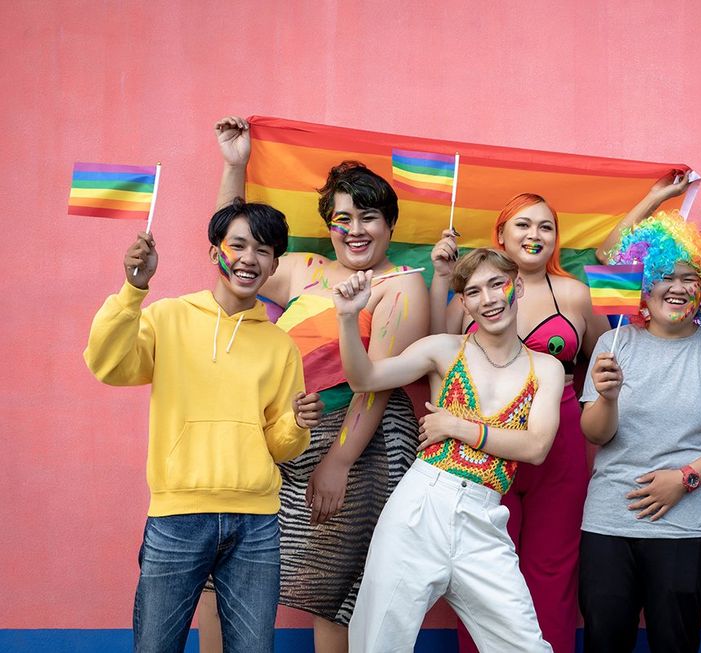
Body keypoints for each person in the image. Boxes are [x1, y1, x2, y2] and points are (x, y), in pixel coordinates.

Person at [198, 117, 429, 653]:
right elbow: (233, 251)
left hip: (358, 444)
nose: (355, 230)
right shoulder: (305, 269)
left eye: (368, 217)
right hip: (280, 437)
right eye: (342, 218)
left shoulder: (401, 286)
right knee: (218, 572)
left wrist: (339, 461)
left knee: (331, 588)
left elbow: (375, 383)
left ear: (390, 225)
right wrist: (235, 165)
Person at [83, 200, 322, 653]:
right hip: (177, 516)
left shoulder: (280, 346)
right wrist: (134, 290)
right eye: (239, 245)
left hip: (256, 524)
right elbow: (107, 364)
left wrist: (296, 423)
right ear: (216, 252)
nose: (249, 258)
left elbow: (280, 446)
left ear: (274, 265)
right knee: (155, 646)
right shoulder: (167, 317)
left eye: (264, 250)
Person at [336, 249, 565, 652]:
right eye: (474, 292)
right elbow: (365, 378)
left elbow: (536, 447)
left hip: (484, 518)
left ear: (517, 286)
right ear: (463, 302)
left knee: (525, 646)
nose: (489, 299)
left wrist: (457, 427)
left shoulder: (546, 368)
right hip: (420, 506)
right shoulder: (443, 349)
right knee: (378, 642)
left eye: (497, 284)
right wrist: (348, 318)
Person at [430, 193, 609, 653]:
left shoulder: (575, 293)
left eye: (546, 226)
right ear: (501, 236)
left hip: (559, 444)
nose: (535, 235)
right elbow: (438, 354)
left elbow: (610, 358)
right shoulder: (471, 297)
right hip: (482, 444)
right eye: (523, 225)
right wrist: (442, 279)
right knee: (481, 569)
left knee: (553, 568)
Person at [579, 212, 701, 653]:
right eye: (665, 275)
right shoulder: (613, 345)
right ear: (645, 284)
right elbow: (595, 434)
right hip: (608, 523)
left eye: (690, 278)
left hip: (683, 529)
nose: (678, 287)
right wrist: (607, 397)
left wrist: (685, 479)